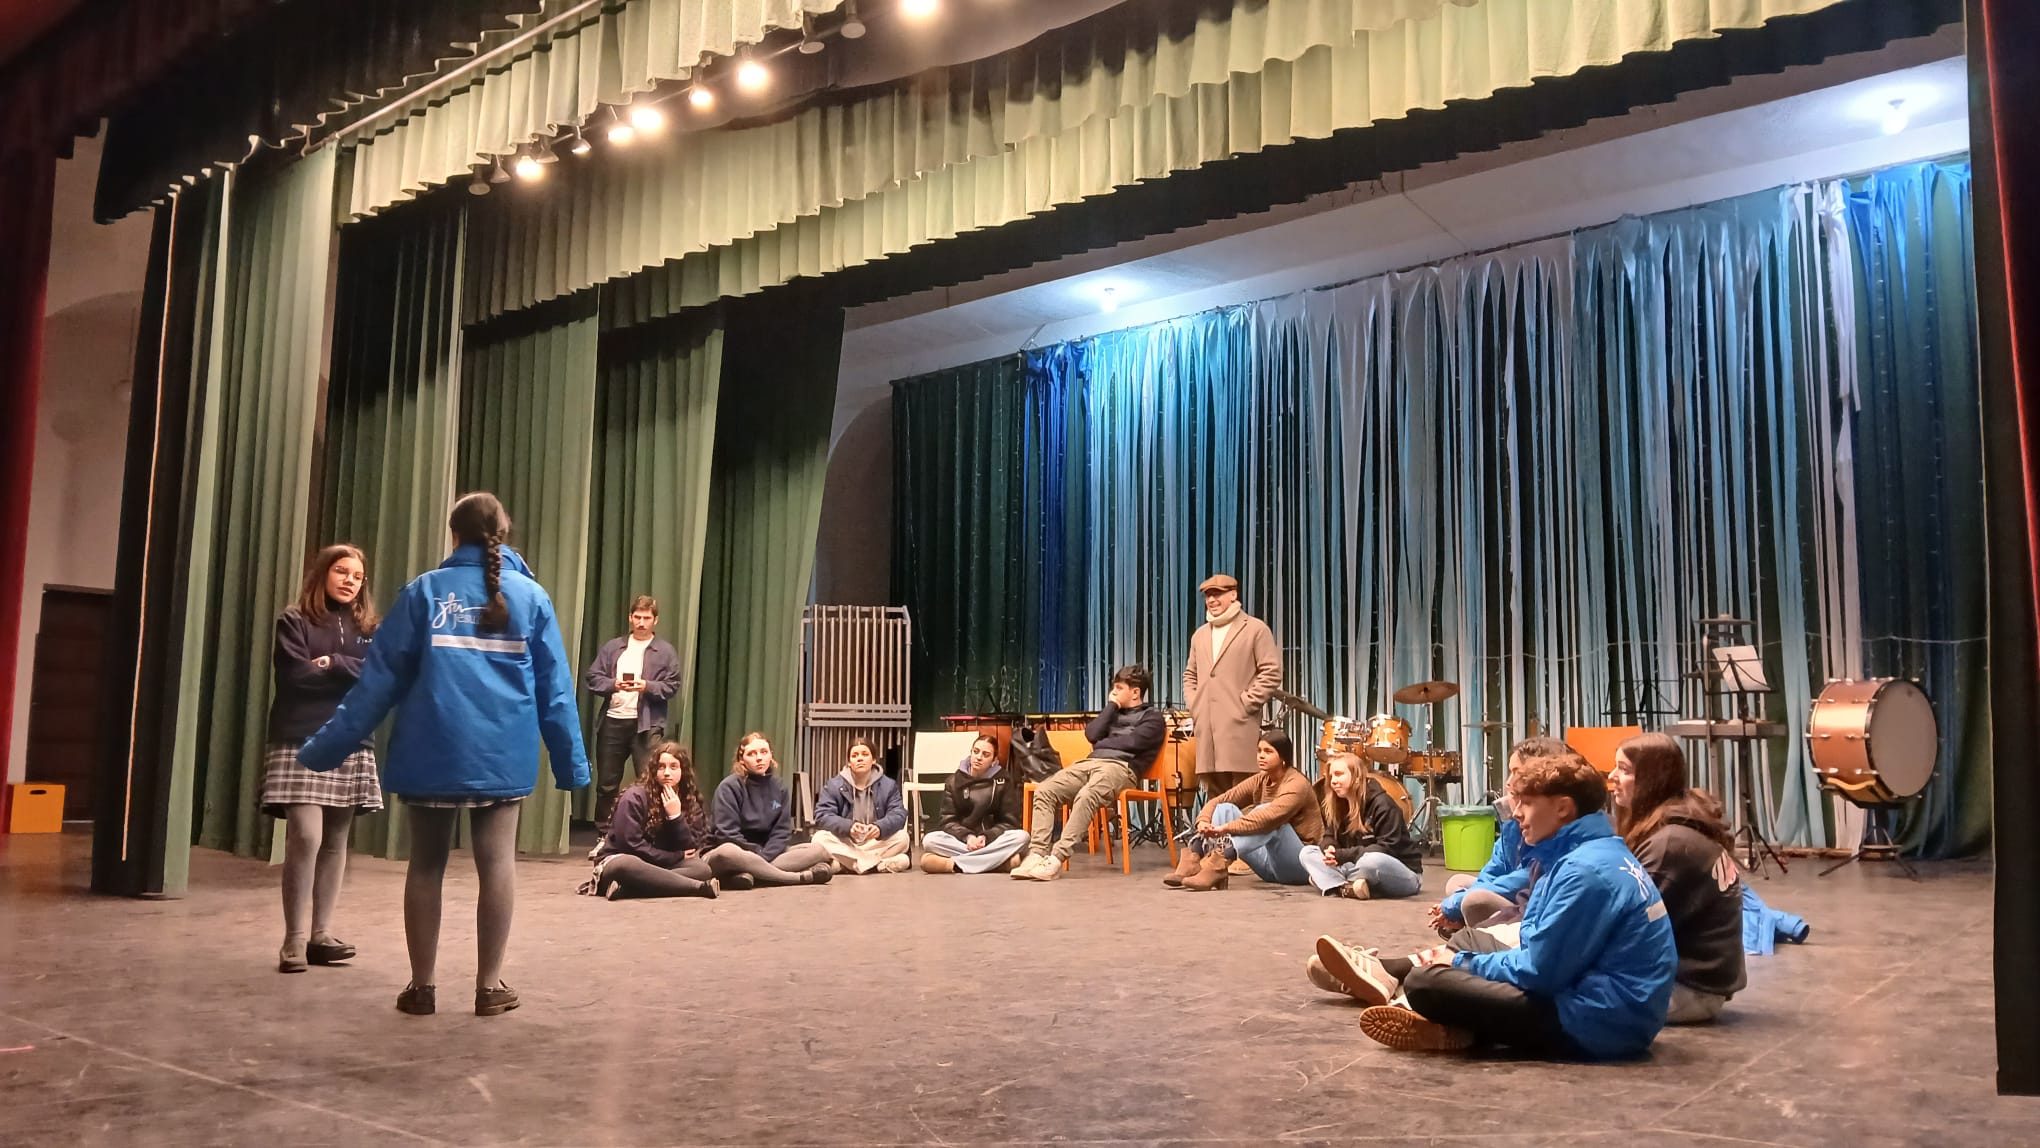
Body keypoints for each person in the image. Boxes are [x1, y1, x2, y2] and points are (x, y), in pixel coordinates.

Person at [301, 492, 590, 1019]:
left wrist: (324, 750)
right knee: (497, 864)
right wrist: (571, 765)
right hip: (502, 754)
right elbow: (555, 692)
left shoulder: (423, 592)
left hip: (430, 749)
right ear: (503, 535)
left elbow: (376, 686)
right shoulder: (532, 597)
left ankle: (422, 987)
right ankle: (489, 988)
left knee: (426, 864)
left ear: (454, 535)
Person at [1334, 755, 1677, 1057]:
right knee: (1470, 939)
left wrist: (1462, 964)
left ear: (1562, 808)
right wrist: (1469, 960)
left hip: (1601, 1022)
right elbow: (1537, 944)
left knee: (1426, 982)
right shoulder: (1589, 851)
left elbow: (1539, 973)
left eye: (1527, 803)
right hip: (1598, 995)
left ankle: (1426, 1008)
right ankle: (1440, 1015)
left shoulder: (1583, 871)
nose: (1516, 813)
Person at [262, 544, 382, 974]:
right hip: (300, 737)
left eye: (357, 576)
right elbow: (296, 677)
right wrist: (347, 670)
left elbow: (377, 677)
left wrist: (331, 662)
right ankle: (293, 939)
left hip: (351, 738)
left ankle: (321, 935)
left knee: (335, 841)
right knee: (306, 836)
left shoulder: (371, 628)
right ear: (323, 574)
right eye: (342, 571)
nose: (350, 581)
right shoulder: (294, 620)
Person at [1610, 732, 1747, 1024]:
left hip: (1689, 990)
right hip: (1699, 984)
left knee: (1560, 998)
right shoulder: (1676, 827)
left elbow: (1629, 928)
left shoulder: (1670, 844)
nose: (1612, 777)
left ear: (1652, 778)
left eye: (1624, 770)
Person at [1012, 666, 1166, 881]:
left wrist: (1103, 743)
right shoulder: (1112, 713)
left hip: (1121, 768)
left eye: (1119, 688)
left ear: (1135, 692)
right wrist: (1111, 706)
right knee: (1045, 790)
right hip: (1089, 763)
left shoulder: (1153, 717)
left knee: (1087, 795)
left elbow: (1133, 742)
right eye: (1113, 688)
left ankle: (1056, 858)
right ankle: (1037, 854)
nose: (1113, 692)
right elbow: (1091, 734)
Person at [1428, 736, 1580, 935]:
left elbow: (1526, 879)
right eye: (1510, 772)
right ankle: (1467, 927)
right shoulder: (1511, 813)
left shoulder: (1551, 821)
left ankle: (1474, 937)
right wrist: (1456, 903)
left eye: (1517, 772)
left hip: (1528, 903)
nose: (1509, 782)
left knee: (1474, 900)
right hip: (1514, 894)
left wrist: (1456, 903)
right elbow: (1495, 868)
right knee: (1458, 883)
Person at [1168, 729, 1323, 891]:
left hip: (1299, 867)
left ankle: (1218, 863)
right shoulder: (1261, 779)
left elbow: (1268, 817)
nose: (1261, 756)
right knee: (1224, 809)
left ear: (1283, 757)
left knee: (1268, 815)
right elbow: (1220, 799)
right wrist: (1203, 821)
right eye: (1259, 751)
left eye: (1268, 752)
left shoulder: (1297, 784)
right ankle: (1198, 857)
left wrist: (1225, 828)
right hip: (1268, 866)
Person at [583, 596, 681, 840]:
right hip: (613, 721)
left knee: (651, 782)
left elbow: (672, 685)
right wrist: (614, 684)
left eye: (646, 618)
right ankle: (604, 836)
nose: (641, 622)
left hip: (647, 725)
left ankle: (650, 834)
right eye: (637, 617)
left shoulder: (665, 651)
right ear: (630, 618)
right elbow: (593, 677)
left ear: (655, 620)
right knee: (606, 784)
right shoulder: (613, 647)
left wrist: (646, 686)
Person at [1181, 574, 1281, 799]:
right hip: (1207, 730)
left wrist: (1245, 703)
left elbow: (1271, 672)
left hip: (1238, 727)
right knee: (1216, 797)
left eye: (1217, 594)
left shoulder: (1255, 629)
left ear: (1233, 595)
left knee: (1243, 796)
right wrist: (1195, 705)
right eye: (1208, 596)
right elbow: (1190, 675)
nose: (1211, 600)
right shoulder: (1200, 635)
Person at [585, 741, 719, 900]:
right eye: (661, 767)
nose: (667, 773)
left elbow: (688, 849)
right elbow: (630, 845)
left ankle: (628, 890)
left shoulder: (689, 802)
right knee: (627, 864)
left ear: (683, 771)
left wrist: (675, 817)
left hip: (660, 865)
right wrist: (674, 857)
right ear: (654, 770)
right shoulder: (634, 797)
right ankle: (698, 888)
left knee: (701, 869)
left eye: (673, 767)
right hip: (622, 860)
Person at [700, 733, 834, 888]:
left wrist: (764, 856)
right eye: (752, 754)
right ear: (741, 760)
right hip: (730, 854)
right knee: (729, 851)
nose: (759, 758)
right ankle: (796, 877)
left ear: (771, 755)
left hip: (767, 853)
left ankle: (751, 875)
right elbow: (726, 834)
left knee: (818, 850)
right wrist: (756, 853)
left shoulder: (780, 788)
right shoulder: (729, 787)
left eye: (764, 752)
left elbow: (781, 832)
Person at [1300, 751, 1422, 900]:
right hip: (1355, 866)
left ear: (1357, 777)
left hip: (1401, 872)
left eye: (1339, 774)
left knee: (1372, 861)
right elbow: (1329, 836)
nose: (1333, 781)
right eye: (1331, 776)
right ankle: (1345, 887)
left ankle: (1331, 881)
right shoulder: (1338, 804)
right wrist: (1329, 849)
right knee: (1307, 853)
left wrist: (1342, 855)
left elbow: (1387, 848)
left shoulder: (1383, 804)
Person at [922, 735, 1029, 874]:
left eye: (986, 755)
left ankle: (956, 865)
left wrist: (986, 837)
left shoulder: (1003, 782)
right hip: (963, 842)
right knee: (930, 840)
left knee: (1022, 837)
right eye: (976, 751)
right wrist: (968, 837)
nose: (979, 757)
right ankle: (997, 864)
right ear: (971, 752)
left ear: (994, 761)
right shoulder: (953, 782)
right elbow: (948, 821)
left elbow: (1009, 822)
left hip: (991, 841)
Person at [812, 740, 911, 874]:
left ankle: (848, 864)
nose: (860, 758)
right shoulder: (834, 785)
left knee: (903, 838)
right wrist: (849, 827)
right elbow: (822, 815)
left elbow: (898, 813)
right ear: (849, 762)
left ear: (874, 759)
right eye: (854, 755)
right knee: (819, 838)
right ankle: (874, 864)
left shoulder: (888, 785)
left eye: (865, 754)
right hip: (846, 842)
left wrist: (880, 827)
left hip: (875, 842)